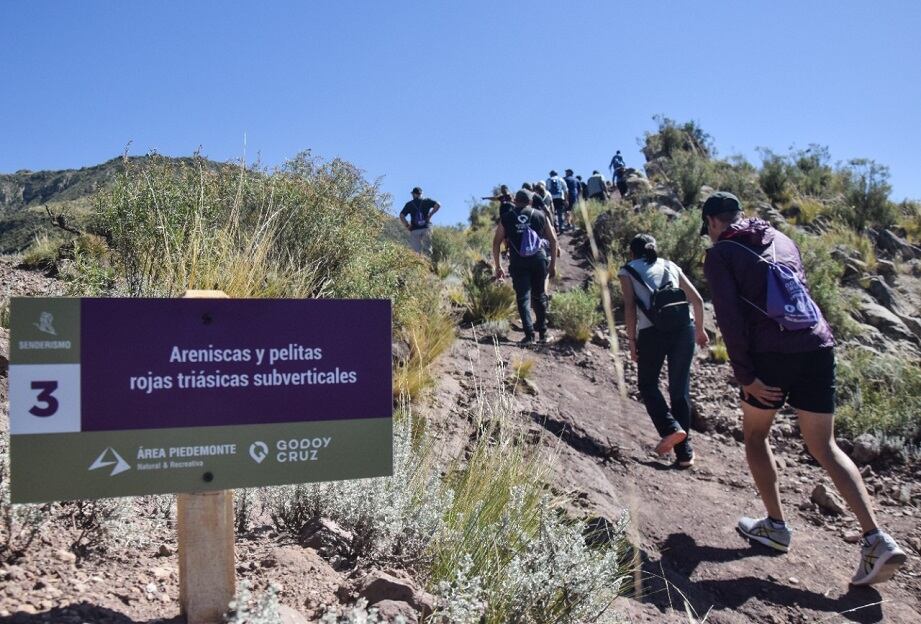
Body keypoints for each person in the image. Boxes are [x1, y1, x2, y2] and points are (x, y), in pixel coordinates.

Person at [701, 191, 908, 585]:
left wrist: (745, 375)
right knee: (824, 446)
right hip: (817, 344)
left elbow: (728, 315)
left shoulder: (721, 253)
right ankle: (876, 539)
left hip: (771, 353)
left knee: (756, 436)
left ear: (712, 222)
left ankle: (776, 527)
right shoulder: (782, 239)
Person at [619, 234, 708, 468]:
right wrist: (700, 330)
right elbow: (697, 300)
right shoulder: (670, 265)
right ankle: (684, 454)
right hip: (684, 330)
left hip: (652, 332)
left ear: (632, 252)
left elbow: (629, 306)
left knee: (648, 384)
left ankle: (671, 429)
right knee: (680, 391)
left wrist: (631, 340)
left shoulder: (627, 271)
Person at [493, 189, 558, 344]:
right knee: (539, 295)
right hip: (538, 259)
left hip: (518, 261)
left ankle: (529, 336)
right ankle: (543, 334)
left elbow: (496, 242)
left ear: (515, 200)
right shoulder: (540, 214)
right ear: (530, 201)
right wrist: (553, 265)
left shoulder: (507, 217)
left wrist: (498, 265)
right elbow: (553, 240)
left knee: (523, 297)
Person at [400, 187, 440, 255]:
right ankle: (427, 264)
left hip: (415, 229)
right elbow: (438, 204)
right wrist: (430, 215)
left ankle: (418, 264)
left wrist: (407, 226)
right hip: (426, 227)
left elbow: (402, 216)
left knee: (415, 252)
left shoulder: (409, 204)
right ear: (421, 194)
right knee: (427, 250)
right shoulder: (427, 200)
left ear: (413, 194)